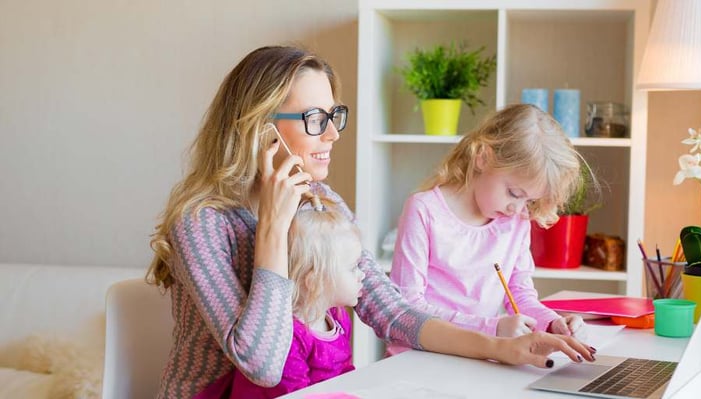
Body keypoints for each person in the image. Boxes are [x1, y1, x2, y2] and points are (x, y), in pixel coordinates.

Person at [146, 46, 595, 399]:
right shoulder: (202, 222)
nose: (333, 134)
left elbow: (392, 311)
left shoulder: (322, 202)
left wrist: (503, 347)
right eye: (314, 119)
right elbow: (262, 367)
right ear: (259, 128)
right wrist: (272, 232)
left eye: (333, 116)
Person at [389, 104, 588, 355]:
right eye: (514, 193)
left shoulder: (516, 221)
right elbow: (407, 308)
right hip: (419, 356)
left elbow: (520, 296)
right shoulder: (424, 210)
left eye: (529, 201)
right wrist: (491, 328)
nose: (517, 209)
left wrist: (552, 322)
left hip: (478, 356)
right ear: (483, 157)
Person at [228, 197, 363, 398]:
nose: (362, 275)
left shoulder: (339, 318)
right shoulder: (290, 337)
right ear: (314, 281)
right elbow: (294, 395)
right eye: (353, 268)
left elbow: (345, 376)